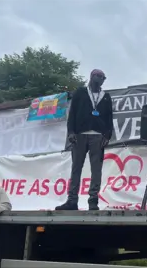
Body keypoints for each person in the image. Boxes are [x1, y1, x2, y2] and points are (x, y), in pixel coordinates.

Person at [55, 69, 114, 211]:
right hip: (80, 135)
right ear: (91, 76)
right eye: (97, 76)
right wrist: (71, 132)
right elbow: (73, 113)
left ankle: (93, 200)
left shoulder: (106, 97)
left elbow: (109, 118)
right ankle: (72, 201)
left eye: (102, 77)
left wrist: (107, 136)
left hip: (98, 136)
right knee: (76, 168)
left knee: (96, 170)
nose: (100, 79)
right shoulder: (80, 92)